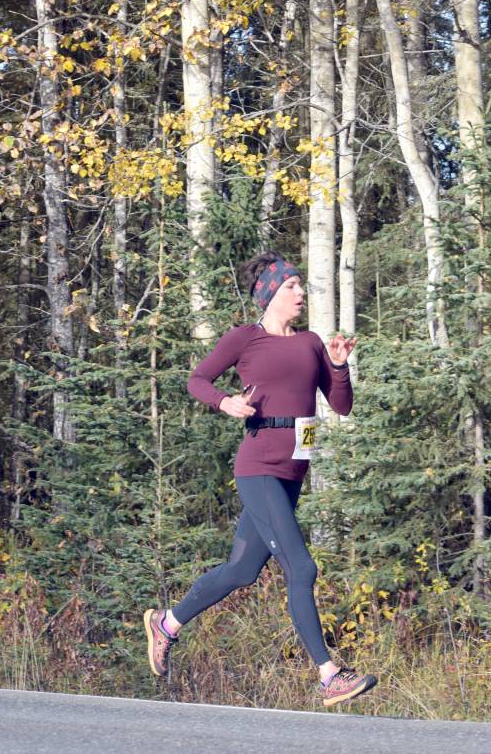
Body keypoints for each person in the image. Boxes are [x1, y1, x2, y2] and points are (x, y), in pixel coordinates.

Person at [143, 251, 377, 708]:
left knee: (242, 570)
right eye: (291, 286)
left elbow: (342, 405)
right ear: (269, 293)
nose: (301, 292)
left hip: (293, 471)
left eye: (301, 285)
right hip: (259, 467)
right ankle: (329, 676)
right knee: (301, 568)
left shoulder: (311, 343)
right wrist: (225, 401)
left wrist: (338, 366)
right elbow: (197, 379)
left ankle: (166, 623)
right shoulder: (244, 339)